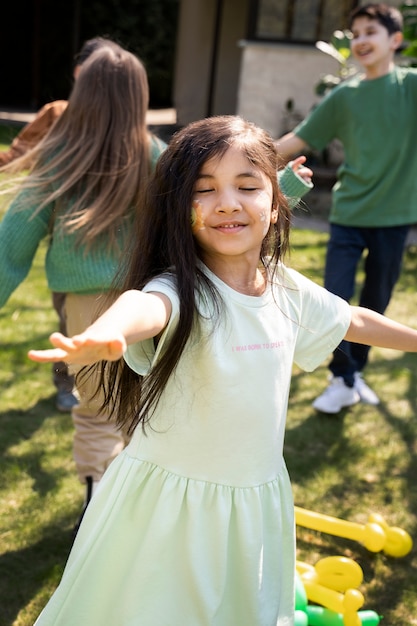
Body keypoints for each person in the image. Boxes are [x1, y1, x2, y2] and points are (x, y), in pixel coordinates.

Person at [27, 115, 417, 626]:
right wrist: (111, 331)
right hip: (170, 510)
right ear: (177, 210)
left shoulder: (287, 290)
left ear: (276, 206)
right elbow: (143, 306)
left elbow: (354, 319)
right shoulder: (179, 290)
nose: (227, 203)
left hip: (252, 502)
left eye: (247, 186)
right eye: (203, 190)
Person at [0, 44, 167, 528]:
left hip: (86, 310)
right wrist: (284, 189)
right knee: (144, 406)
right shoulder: (154, 155)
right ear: (140, 97)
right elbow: (200, 215)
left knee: (96, 411)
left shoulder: (60, 156)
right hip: (148, 307)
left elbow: (11, 247)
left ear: (83, 93)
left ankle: (99, 504)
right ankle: (137, 508)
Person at [274, 3, 417, 414]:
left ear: (395, 40)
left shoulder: (410, 88)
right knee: (336, 300)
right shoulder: (343, 98)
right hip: (349, 216)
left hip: (393, 220)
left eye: (370, 31)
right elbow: (294, 142)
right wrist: (240, 156)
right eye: (355, 34)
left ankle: (354, 374)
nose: (360, 41)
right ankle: (342, 378)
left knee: (376, 303)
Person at [0, 36, 122, 413]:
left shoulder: (123, 127)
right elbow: (19, 154)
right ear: (78, 73)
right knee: (68, 314)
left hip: (116, 239)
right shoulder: (57, 115)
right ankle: (64, 380)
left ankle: (114, 387)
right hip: (62, 233)